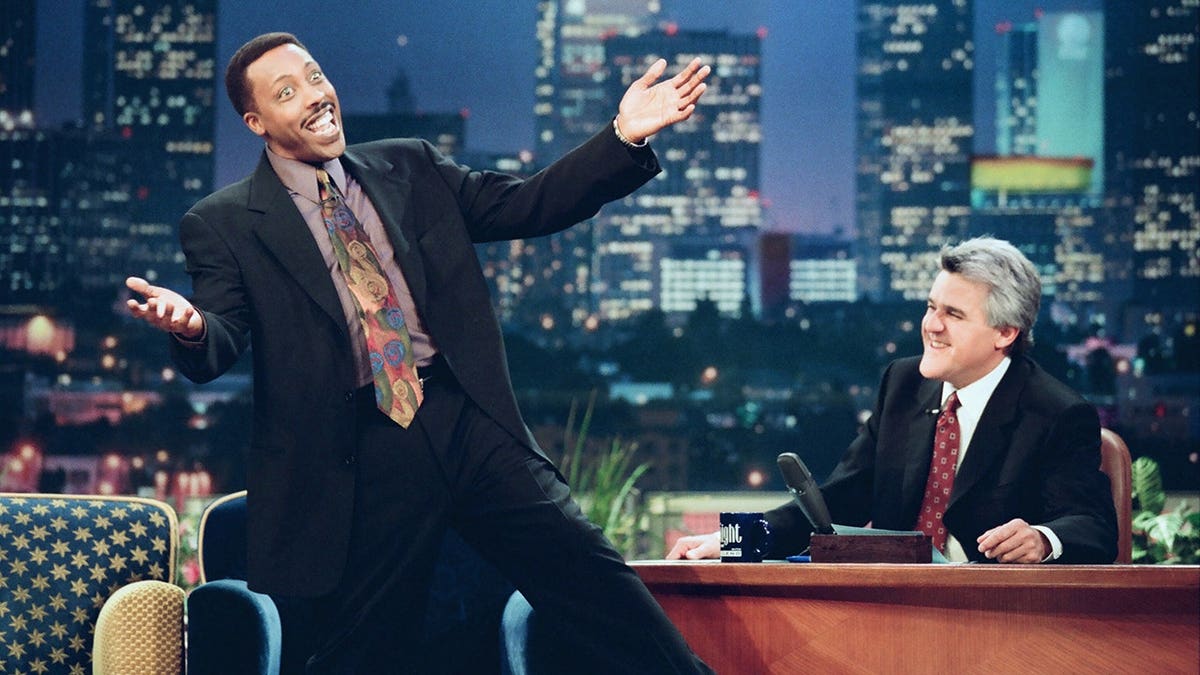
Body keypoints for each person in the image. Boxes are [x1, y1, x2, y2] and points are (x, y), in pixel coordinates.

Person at [126, 32, 714, 674]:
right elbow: (221, 337)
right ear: (257, 121)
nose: (316, 96)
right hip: (361, 447)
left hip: (465, 420)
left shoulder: (411, 166)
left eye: (316, 76)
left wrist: (622, 136)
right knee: (361, 649)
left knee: (593, 578)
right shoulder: (224, 221)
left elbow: (529, 204)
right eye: (287, 92)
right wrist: (188, 326)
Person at [668, 237, 1118, 565]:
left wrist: (1042, 539)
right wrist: (732, 539)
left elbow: (1093, 526)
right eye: (931, 307)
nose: (931, 326)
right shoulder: (902, 384)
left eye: (953, 314)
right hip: (892, 605)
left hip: (993, 620)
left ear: (1005, 333)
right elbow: (839, 501)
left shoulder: (1057, 413)